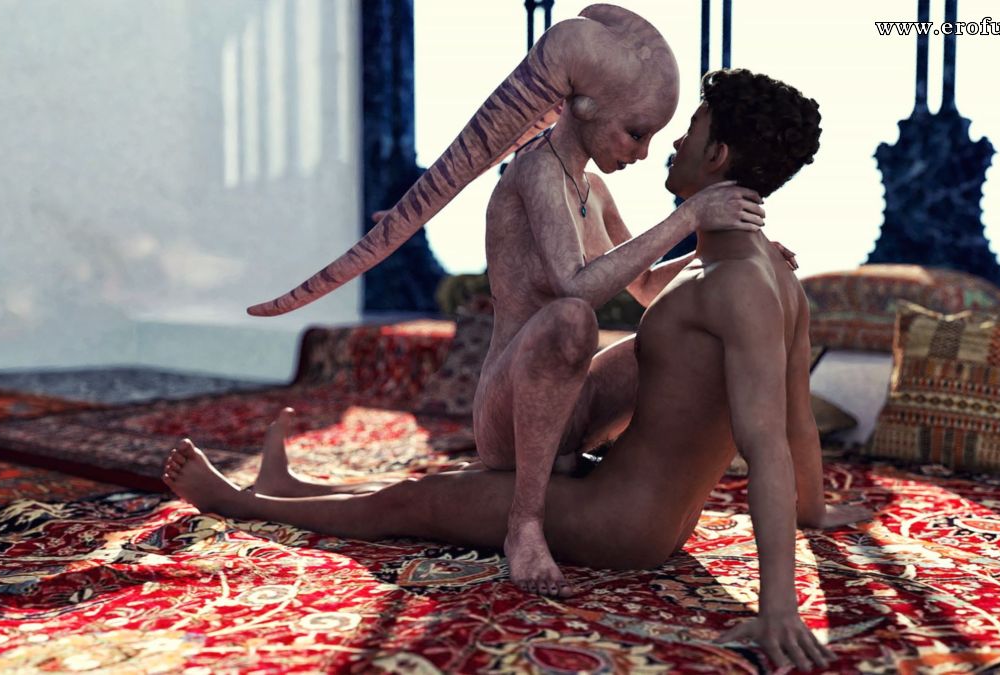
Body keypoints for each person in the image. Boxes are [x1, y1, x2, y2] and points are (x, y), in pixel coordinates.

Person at [166, 68, 873, 672]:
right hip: (628, 501)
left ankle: (247, 504)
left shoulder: (737, 285)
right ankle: (297, 485)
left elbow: (768, 439)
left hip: (621, 522)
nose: (671, 144)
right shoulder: (763, 273)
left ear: (716, 155)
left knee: (422, 502)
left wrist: (779, 607)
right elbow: (798, 416)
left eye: (689, 130)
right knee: (460, 484)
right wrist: (813, 511)